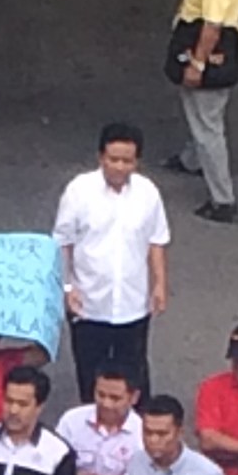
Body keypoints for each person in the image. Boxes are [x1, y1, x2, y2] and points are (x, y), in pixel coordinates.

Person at [53, 125, 171, 399]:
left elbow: (157, 240)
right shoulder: (78, 191)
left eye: (127, 161)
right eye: (113, 159)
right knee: (89, 374)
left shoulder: (148, 193)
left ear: (136, 162)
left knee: (135, 374)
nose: (119, 167)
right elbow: (62, 243)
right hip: (88, 304)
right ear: (100, 157)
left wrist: (159, 285)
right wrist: (67, 288)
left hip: (133, 304)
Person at [171, 0, 238, 225]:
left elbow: (212, 25)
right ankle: (192, 160)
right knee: (201, 112)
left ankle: (222, 199)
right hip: (228, 45)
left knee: (207, 124)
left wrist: (197, 64)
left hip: (207, 49)